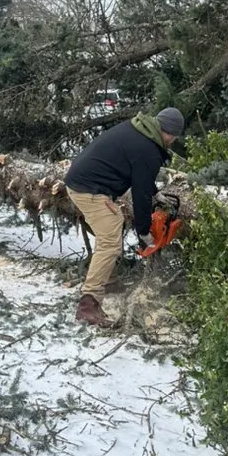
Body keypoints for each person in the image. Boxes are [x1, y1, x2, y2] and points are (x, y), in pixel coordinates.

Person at [64, 106, 186, 326]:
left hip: (84, 181)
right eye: (174, 138)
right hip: (88, 188)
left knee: (113, 225)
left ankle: (108, 281)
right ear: (170, 133)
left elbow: (140, 174)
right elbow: (140, 194)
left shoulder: (141, 130)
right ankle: (88, 304)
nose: (172, 142)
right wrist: (144, 232)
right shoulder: (148, 149)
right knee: (110, 240)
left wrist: (156, 194)